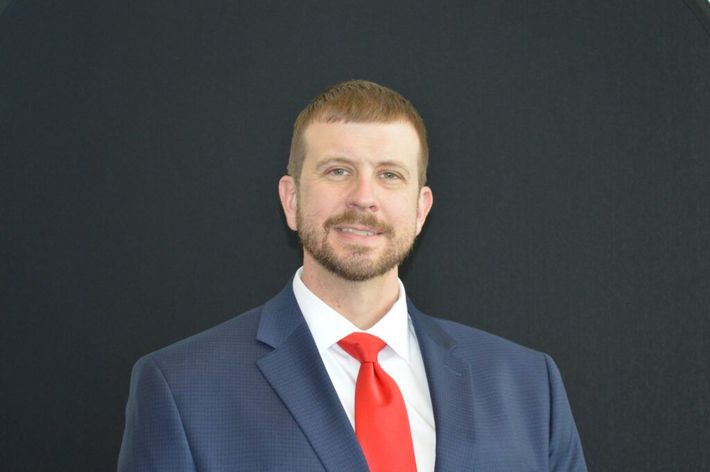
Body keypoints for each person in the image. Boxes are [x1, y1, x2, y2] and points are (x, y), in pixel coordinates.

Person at [118, 80, 587, 471]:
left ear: (421, 210)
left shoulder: (528, 386)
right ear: (291, 200)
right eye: (338, 170)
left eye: (389, 175)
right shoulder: (182, 389)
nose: (364, 197)